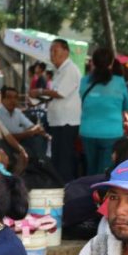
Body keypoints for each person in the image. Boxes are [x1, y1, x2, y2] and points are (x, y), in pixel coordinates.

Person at [30, 39, 81, 181]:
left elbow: (60, 93)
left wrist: (40, 91)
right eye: (51, 51)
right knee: (57, 158)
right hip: (57, 121)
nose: (52, 54)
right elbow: (55, 94)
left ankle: (66, 189)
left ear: (66, 52)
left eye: (55, 50)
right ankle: (59, 186)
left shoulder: (70, 69)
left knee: (64, 159)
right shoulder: (59, 71)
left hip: (67, 122)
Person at [79, 48, 128, 176]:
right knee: (105, 171)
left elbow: (83, 102)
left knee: (91, 169)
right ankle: (101, 193)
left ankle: (89, 192)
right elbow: (127, 105)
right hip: (112, 133)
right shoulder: (119, 82)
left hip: (88, 131)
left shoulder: (84, 81)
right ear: (111, 63)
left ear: (93, 62)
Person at [0, 86, 47, 160]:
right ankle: (40, 162)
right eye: (9, 97)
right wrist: (29, 132)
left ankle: (41, 161)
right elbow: (8, 136)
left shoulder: (17, 112)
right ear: (2, 99)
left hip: (21, 142)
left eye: (15, 97)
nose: (13, 100)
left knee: (38, 137)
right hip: (5, 145)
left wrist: (38, 130)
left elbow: (31, 126)